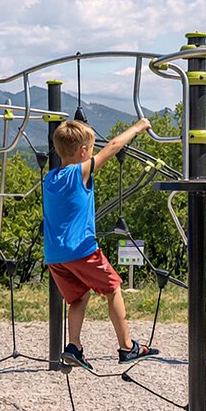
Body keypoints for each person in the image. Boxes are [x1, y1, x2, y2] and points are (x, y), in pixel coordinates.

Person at [44, 117, 157, 370]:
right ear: (83, 152)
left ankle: (74, 346)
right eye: (91, 149)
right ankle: (127, 347)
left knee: (78, 298)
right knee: (114, 288)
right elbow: (115, 145)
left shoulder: (50, 178)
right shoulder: (80, 172)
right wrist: (138, 127)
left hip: (55, 255)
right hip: (81, 250)